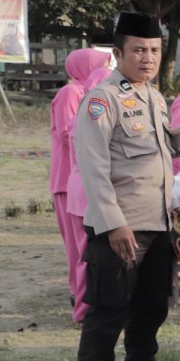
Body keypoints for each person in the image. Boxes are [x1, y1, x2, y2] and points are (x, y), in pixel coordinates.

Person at [71, 13, 180, 361]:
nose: (147, 58)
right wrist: (113, 224)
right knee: (107, 313)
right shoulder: (102, 99)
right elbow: (92, 168)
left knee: (150, 310)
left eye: (154, 50)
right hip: (121, 228)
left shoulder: (154, 97)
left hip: (158, 224)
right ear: (118, 53)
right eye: (138, 50)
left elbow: (163, 148)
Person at [50, 47, 112, 323]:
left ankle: (80, 297)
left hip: (76, 178)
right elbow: (67, 133)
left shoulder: (85, 94)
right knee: (80, 249)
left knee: (82, 249)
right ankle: (81, 299)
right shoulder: (73, 94)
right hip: (71, 178)